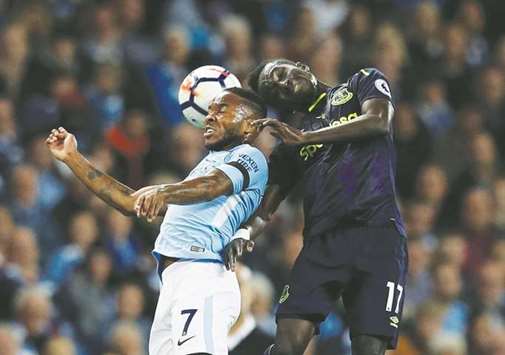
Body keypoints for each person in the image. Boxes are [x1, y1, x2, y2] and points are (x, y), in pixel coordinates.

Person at [46, 87, 269, 355]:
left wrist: (163, 191)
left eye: (222, 110)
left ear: (249, 127)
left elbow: (213, 185)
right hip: (173, 283)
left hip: (203, 275)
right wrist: (72, 157)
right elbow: (129, 202)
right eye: (209, 110)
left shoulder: (250, 156)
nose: (209, 116)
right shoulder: (201, 170)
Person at [224, 59, 408, 355]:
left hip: (378, 234)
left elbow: (379, 121)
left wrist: (309, 138)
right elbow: (264, 211)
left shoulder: (361, 82)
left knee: (369, 349)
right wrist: (242, 235)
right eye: (274, 91)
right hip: (322, 245)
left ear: (302, 66)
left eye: (281, 73)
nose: (282, 84)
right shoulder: (289, 145)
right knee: (286, 345)